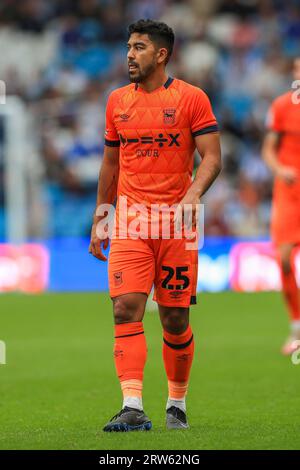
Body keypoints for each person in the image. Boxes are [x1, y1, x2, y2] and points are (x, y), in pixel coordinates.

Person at [89, 19, 221, 431]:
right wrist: (101, 215)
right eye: (129, 47)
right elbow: (111, 162)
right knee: (125, 307)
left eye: (139, 47)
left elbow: (212, 158)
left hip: (178, 224)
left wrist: (194, 193)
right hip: (130, 220)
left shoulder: (191, 99)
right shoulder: (116, 102)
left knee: (174, 319)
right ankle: (132, 406)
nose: (130, 54)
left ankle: (176, 404)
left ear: (161, 54)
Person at [262, 57, 300, 355]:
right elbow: (268, 150)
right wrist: (280, 169)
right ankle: (297, 327)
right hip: (289, 192)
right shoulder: (281, 106)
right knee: (285, 259)